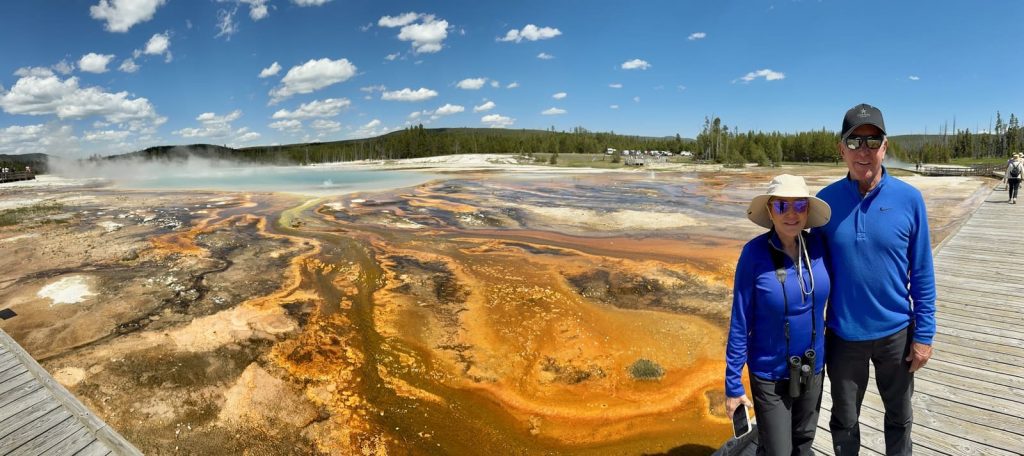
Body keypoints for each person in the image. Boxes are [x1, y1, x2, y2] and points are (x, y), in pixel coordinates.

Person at [815, 103, 936, 455]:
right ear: (841, 149)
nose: (863, 151)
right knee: (844, 420)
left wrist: (924, 333)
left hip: (896, 334)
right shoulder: (824, 204)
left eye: (872, 141)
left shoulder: (910, 199)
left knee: (899, 417)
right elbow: (809, 270)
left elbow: (923, 271)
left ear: (885, 147)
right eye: (854, 142)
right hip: (843, 337)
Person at [725, 174, 832, 456]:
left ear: (808, 211)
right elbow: (740, 321)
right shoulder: (754, 254)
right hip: (770, 375)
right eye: (782, 206)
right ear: (770, 211)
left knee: (803, 443)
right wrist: (733, 384)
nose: (792, 214)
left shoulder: (819, 248)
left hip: (812, 369)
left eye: (799, 205)